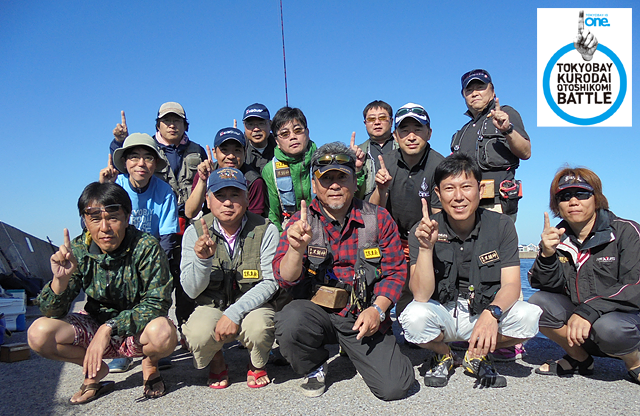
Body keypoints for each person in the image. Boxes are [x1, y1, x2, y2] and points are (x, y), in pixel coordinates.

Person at [273, 142, 415, 400]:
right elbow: (284, 279)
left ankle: (355, 350)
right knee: (289, 321)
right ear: (315, 184)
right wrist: (296, 249)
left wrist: (378, 310)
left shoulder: (379, 218)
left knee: (396, 387)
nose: (334, 185)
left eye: (342, 177)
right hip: (316, 313)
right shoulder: (299, 222)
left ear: (354, 181)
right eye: (326, 179)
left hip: (363, 315)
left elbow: (395, 272)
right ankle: (315, 364)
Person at [398, 154, 541, 388]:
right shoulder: (422, 230)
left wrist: (491, 314)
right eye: (449, 188)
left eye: (466, 187)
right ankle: (443, 352)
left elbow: (512, 285)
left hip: (483, 309)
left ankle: (475, 354)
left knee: (528, 317)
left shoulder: (502, 225)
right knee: (413, 319)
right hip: (443, 312)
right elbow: (421, 296)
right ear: (437, 193)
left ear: (480, 189)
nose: (458, 197)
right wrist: (426, 248)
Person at [27, 182, 177, 404]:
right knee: (39, 333)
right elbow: (53, 311)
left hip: (136, 328)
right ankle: (95, 370)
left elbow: (157, 302)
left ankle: (150, 363)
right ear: (85, 221)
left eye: (113, 217)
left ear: (127, 218)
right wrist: (60, 279)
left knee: (163, 332)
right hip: (94, 324)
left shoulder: (146, 247)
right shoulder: (78, 250)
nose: (104, 227)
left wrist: (110, 328)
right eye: (95, 218)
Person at [528, 168, 640, 384]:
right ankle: (580, 359)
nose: (573, 201)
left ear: (596, 198)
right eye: (564, 196)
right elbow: (543, 285)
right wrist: (547, 255)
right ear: (556, 205)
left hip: (622, 322)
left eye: (581, 194)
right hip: (581, 323)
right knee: (535, 305)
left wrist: (590, 310)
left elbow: (636, 285)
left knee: (609, 328)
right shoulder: (557, 238)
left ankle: (635, 363)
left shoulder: (626, 232)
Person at [110, 102, 207, 331]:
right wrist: (117, 142)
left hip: (183, 225)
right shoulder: (148, 150)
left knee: (183, 278)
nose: (172, 125)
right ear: (158, 124)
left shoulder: (197, 150)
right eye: (167, 121)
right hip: (146, 235)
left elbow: (205, 185)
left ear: (186, 125)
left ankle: (182, 328)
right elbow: (122, 162)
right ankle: (123, 337)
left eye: (178, 121)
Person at [180, 168, 279, 389]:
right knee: (196, 333)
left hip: (254, 306)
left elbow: (271, 282)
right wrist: (202, 261)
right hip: (212, 304)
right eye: (220, 195)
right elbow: (191, 290)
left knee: (260, 327)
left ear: (246, 197)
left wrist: (234, 312)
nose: (227, 203)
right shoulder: (193, 232)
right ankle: (216, 358)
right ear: (207, 199)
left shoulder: (266, 229)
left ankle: (256, 363)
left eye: (234, 195)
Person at [99, 132, 179, 372]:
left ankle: (156, 348)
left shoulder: (164, 191)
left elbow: (167, 237)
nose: (141, 164)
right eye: (134, 157)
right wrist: (104, 189)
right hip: (119, 257)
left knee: (155, 300)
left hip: (152, 257)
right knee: (120, 300)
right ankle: (121, 351)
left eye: (148, 158)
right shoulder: (116, 186)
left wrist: (153, 270)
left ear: (156, 163)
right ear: (125, 163)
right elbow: (92, 226)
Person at [451, 69, 530, 220]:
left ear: (493, 91)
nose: (475, 93)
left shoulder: (506, 114)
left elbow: (526, 152)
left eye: (480, 87)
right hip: (467, 206)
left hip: (497, 205)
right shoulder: (461, 133)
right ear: (464, 96)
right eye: (469, 90)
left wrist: (507, 129)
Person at [369, 103, 444, 255]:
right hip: (392, 242)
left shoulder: (440, 165)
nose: (411, 137)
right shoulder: (385, 162)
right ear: (395, 135)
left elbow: (440, 215)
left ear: (429, 133)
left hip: (428, 240)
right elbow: (373, 213)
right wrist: (380, 189)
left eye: (417, 130)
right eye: (404, 131)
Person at [184, 127, 267, 219]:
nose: (231, 156)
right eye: (225, 150)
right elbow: (190, 213)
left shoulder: (253, 180)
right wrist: (203, 181)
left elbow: (254, 219)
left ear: (244, 153)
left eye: (237, 150)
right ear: (214, 153)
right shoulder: (205, 173)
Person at [261, 107, 317, 232]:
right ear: (277, 141)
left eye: (298, 130)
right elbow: (273, 215)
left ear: (307, 133)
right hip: (289, 231)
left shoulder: (323, 160)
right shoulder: (270, 170)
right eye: (285, 134)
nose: (292, 137)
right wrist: (283, 241)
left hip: (323, 227)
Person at [357, 100, 398, 199]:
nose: (377, 122)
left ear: (391, 121)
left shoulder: (404, 149)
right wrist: (356, 169)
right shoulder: (358, 152)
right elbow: (352, 193)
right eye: (371, 119)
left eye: (382, 118)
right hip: (367, 211)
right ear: (365, 123)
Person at [242, 103, 277, 173]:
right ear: (244, 126)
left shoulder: (280, 145)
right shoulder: (239, 149)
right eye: (250, 124)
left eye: (261, 123)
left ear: (270, 124)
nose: (256, 129)